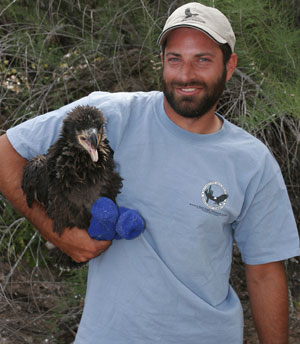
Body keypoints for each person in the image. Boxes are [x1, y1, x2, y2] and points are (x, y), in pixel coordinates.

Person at [0, 2, 299, 343]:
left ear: (229, 66)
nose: (186, 74)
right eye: (175, 59)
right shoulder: (109, 117)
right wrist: (60, 235)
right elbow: (5, 154)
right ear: (162, 62)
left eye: (202, 59)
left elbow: (264, 273)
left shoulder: (251, 161)